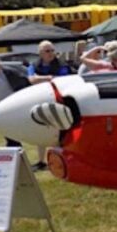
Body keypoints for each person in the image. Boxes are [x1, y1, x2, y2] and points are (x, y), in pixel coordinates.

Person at [27, 41, 70, 171]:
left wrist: (41, 78)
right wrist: (50, 77)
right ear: (40, 53)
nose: (51, 53)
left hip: (59, 102)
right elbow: (31, 79)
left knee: (61, 131)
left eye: (52, 50)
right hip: (40, 100)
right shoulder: (33, 65)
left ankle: (63, 160)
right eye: (47, 51)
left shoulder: (62, 65)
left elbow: (63, 79)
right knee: (42, 130)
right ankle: (41, 161)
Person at [0, 52, 30, 147]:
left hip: (13, 106)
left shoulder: (9, 73)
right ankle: (14, 147)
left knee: (17, 129)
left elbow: (23, 84)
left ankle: (14, 146)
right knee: (6, 130)